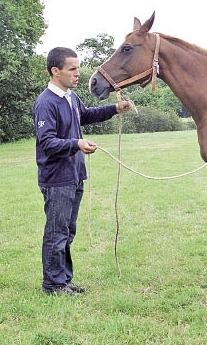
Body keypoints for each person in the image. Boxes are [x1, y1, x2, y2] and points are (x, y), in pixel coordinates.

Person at [32, 47, 132, 296]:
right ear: (56, 71)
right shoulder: (46, 103)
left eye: (78, 68)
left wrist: (114, 109)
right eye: (72, 69)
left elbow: (85, 116)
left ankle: (63, 280)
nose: (78, 74)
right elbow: (47, 142)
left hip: (74, 175)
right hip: (56, 178)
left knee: (68, 231)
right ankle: (53, 285)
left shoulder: (71, 98)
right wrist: (76, 144)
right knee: (57, 233)